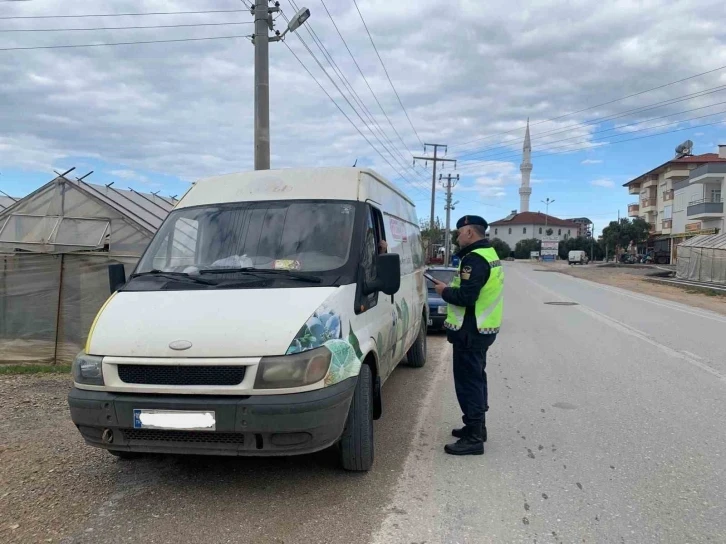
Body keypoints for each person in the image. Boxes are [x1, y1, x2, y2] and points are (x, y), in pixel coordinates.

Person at [432, 215, 504, 456]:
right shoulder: (489, 255)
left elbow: (466, 297)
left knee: (468, 382)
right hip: (482, 329)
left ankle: (473, 438)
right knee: (477, 378)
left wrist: (444, 291)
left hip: (470, 332)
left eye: (459, 232)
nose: (457, 236)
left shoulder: (474, 259)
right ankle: (477, 427)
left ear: (470, 233)